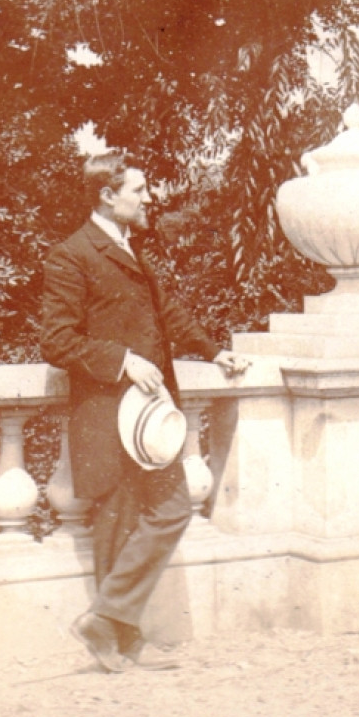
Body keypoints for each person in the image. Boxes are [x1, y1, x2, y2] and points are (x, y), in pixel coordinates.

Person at [41, 151, 248, 672]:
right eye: (139, 190)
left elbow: (165, 314)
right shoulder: (71, 256)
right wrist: (123, 360)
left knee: (171, 507)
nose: (149, 197)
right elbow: (57, 340)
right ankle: (118, 641)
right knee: (119, 522)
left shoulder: (130, 249)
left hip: (148, 416)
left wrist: (211, 349)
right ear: (108, 195)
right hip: (106, 412)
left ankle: (108, 623)